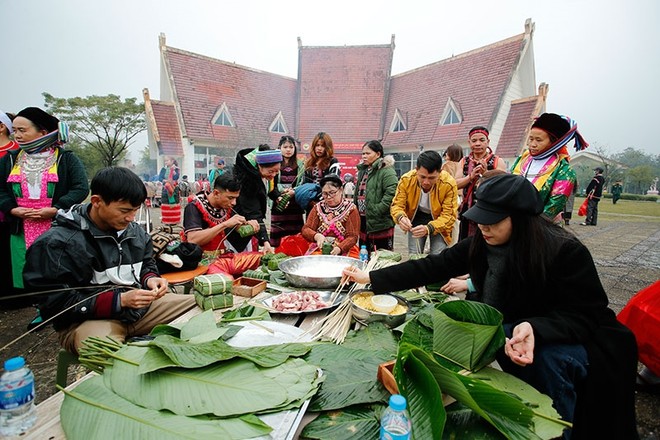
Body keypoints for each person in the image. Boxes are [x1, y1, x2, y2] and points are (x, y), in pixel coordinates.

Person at [342, 174, 638, 439]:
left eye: (492, 220)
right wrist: (370, 277)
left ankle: (555, 430)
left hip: (577, 341)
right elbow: (434, 266)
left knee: (547, 364)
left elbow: (587, 314)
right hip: (518, 331)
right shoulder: (482, 241)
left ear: (520, 218)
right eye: (480, 218)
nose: (482, 227)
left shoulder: (564, 251)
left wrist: (536, 328)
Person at [23, 167, 196, 354]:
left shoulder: (135, 233)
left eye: (135, 211)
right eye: (124, 211)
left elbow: (146, 263)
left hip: (140, 311)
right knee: (107, 354)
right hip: (88, 322)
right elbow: (53, 304)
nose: (131, 218)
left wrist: (151, 278)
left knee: (205, 308)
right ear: (97, 201)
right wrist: (120, 300)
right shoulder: (58, 243)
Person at [0, 107, 89, 291]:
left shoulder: (65, 159)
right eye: (15, 130)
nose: (17, 135)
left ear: (43, 132)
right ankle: (35, 303)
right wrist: (11, 208)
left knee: (54, 265)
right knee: (25, 268)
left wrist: (56, 208)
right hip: (21, 225)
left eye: (23, 130)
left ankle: (51, 304)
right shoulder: (10, 160)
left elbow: (80, 187)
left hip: (54, 223)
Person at [511, 113, 585, 222]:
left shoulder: (564, 171)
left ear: (554, 142)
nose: (532, 144)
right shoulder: (523, 159)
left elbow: (553, 207)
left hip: (538, 227)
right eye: (531, 139)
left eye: (539, 140)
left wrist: (526, 225)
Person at [390, 150, 458, 255]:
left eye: (431, 178)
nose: (426, 182)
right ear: (416, 170)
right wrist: (400, 217)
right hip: (416, 217)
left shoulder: (448, 183)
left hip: (440, 221)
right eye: (422, 177)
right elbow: (397, 205)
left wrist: (429, 228)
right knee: (414, 254)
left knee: (438, 255)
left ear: (440, 172)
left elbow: (449, 216)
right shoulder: (406, 180)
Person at [455, 126, 506, 241]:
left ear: (488, 142)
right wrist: (470, 177)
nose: (478, 144)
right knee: (465, 243)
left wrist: (486, 173)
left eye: (482, 140)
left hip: (490, 211)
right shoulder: (464, 161)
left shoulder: (497, 161)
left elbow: (503, 185)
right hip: (467, 210)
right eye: (474, 141)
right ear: (469, 143)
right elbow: (455, 184)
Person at [230, 144, 281, 253]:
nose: (274, 175)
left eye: (277, 171)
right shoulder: (247, 181)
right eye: (271, 171)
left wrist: (276, 196)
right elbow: (253, 212)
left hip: (253, 226)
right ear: (259, 166)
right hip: (240, 226)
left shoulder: (267, 173)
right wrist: (265, 241)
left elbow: (270, 188)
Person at [183, 173, 249, 255]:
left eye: (236, 198)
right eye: (230, 198)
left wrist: (247, 226)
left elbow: (231, 228)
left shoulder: (225, 205)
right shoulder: (194, 207)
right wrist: (224, 225)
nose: (234, 203)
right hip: (199, 261)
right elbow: (193, 239)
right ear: (216, 193)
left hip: (220, 258)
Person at [355, 140, 398, 252]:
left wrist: (377, 210)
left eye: (368, 153)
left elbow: (391, 194)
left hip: (380, 222)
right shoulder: (363, 171)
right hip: (364, 220)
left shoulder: (386, 170)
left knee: (381, 256)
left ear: (378, 154)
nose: (364, 156)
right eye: (363, 153)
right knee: (364, 254)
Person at [301, 174, 360, 257]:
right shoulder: (318, 207)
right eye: (324, 193)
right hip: (320, 247)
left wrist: (340, 248)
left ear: (341, 190)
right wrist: (317, 236)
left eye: (332, 193)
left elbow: (352, 236)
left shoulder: (350, 209)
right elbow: (306, 229)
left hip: (344, 248)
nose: (328, 197)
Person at [270, 135, 305, 247]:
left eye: (291, 147)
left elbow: (302, 184)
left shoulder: (300, 164)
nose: (288, 150)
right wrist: (281, 193)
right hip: (279, 203)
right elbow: (270, 184)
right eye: (285, 147)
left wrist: (293, 191)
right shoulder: (274, 163)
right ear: (280, 148)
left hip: (295, 205)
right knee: (278, 234)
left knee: (295, 236)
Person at [158, 156, 181, 224]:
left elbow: (176, 177)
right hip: (165, 188)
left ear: (172, 161)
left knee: (175, 203)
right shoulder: (163, 169)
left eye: (167, 161)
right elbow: (160, 178)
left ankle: (174, 220)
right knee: (165, 203)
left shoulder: (176, 169)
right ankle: (166, 220)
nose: (166, 162)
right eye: (165, 161)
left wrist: (173, 171)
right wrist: (165, 181)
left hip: (174, 188)